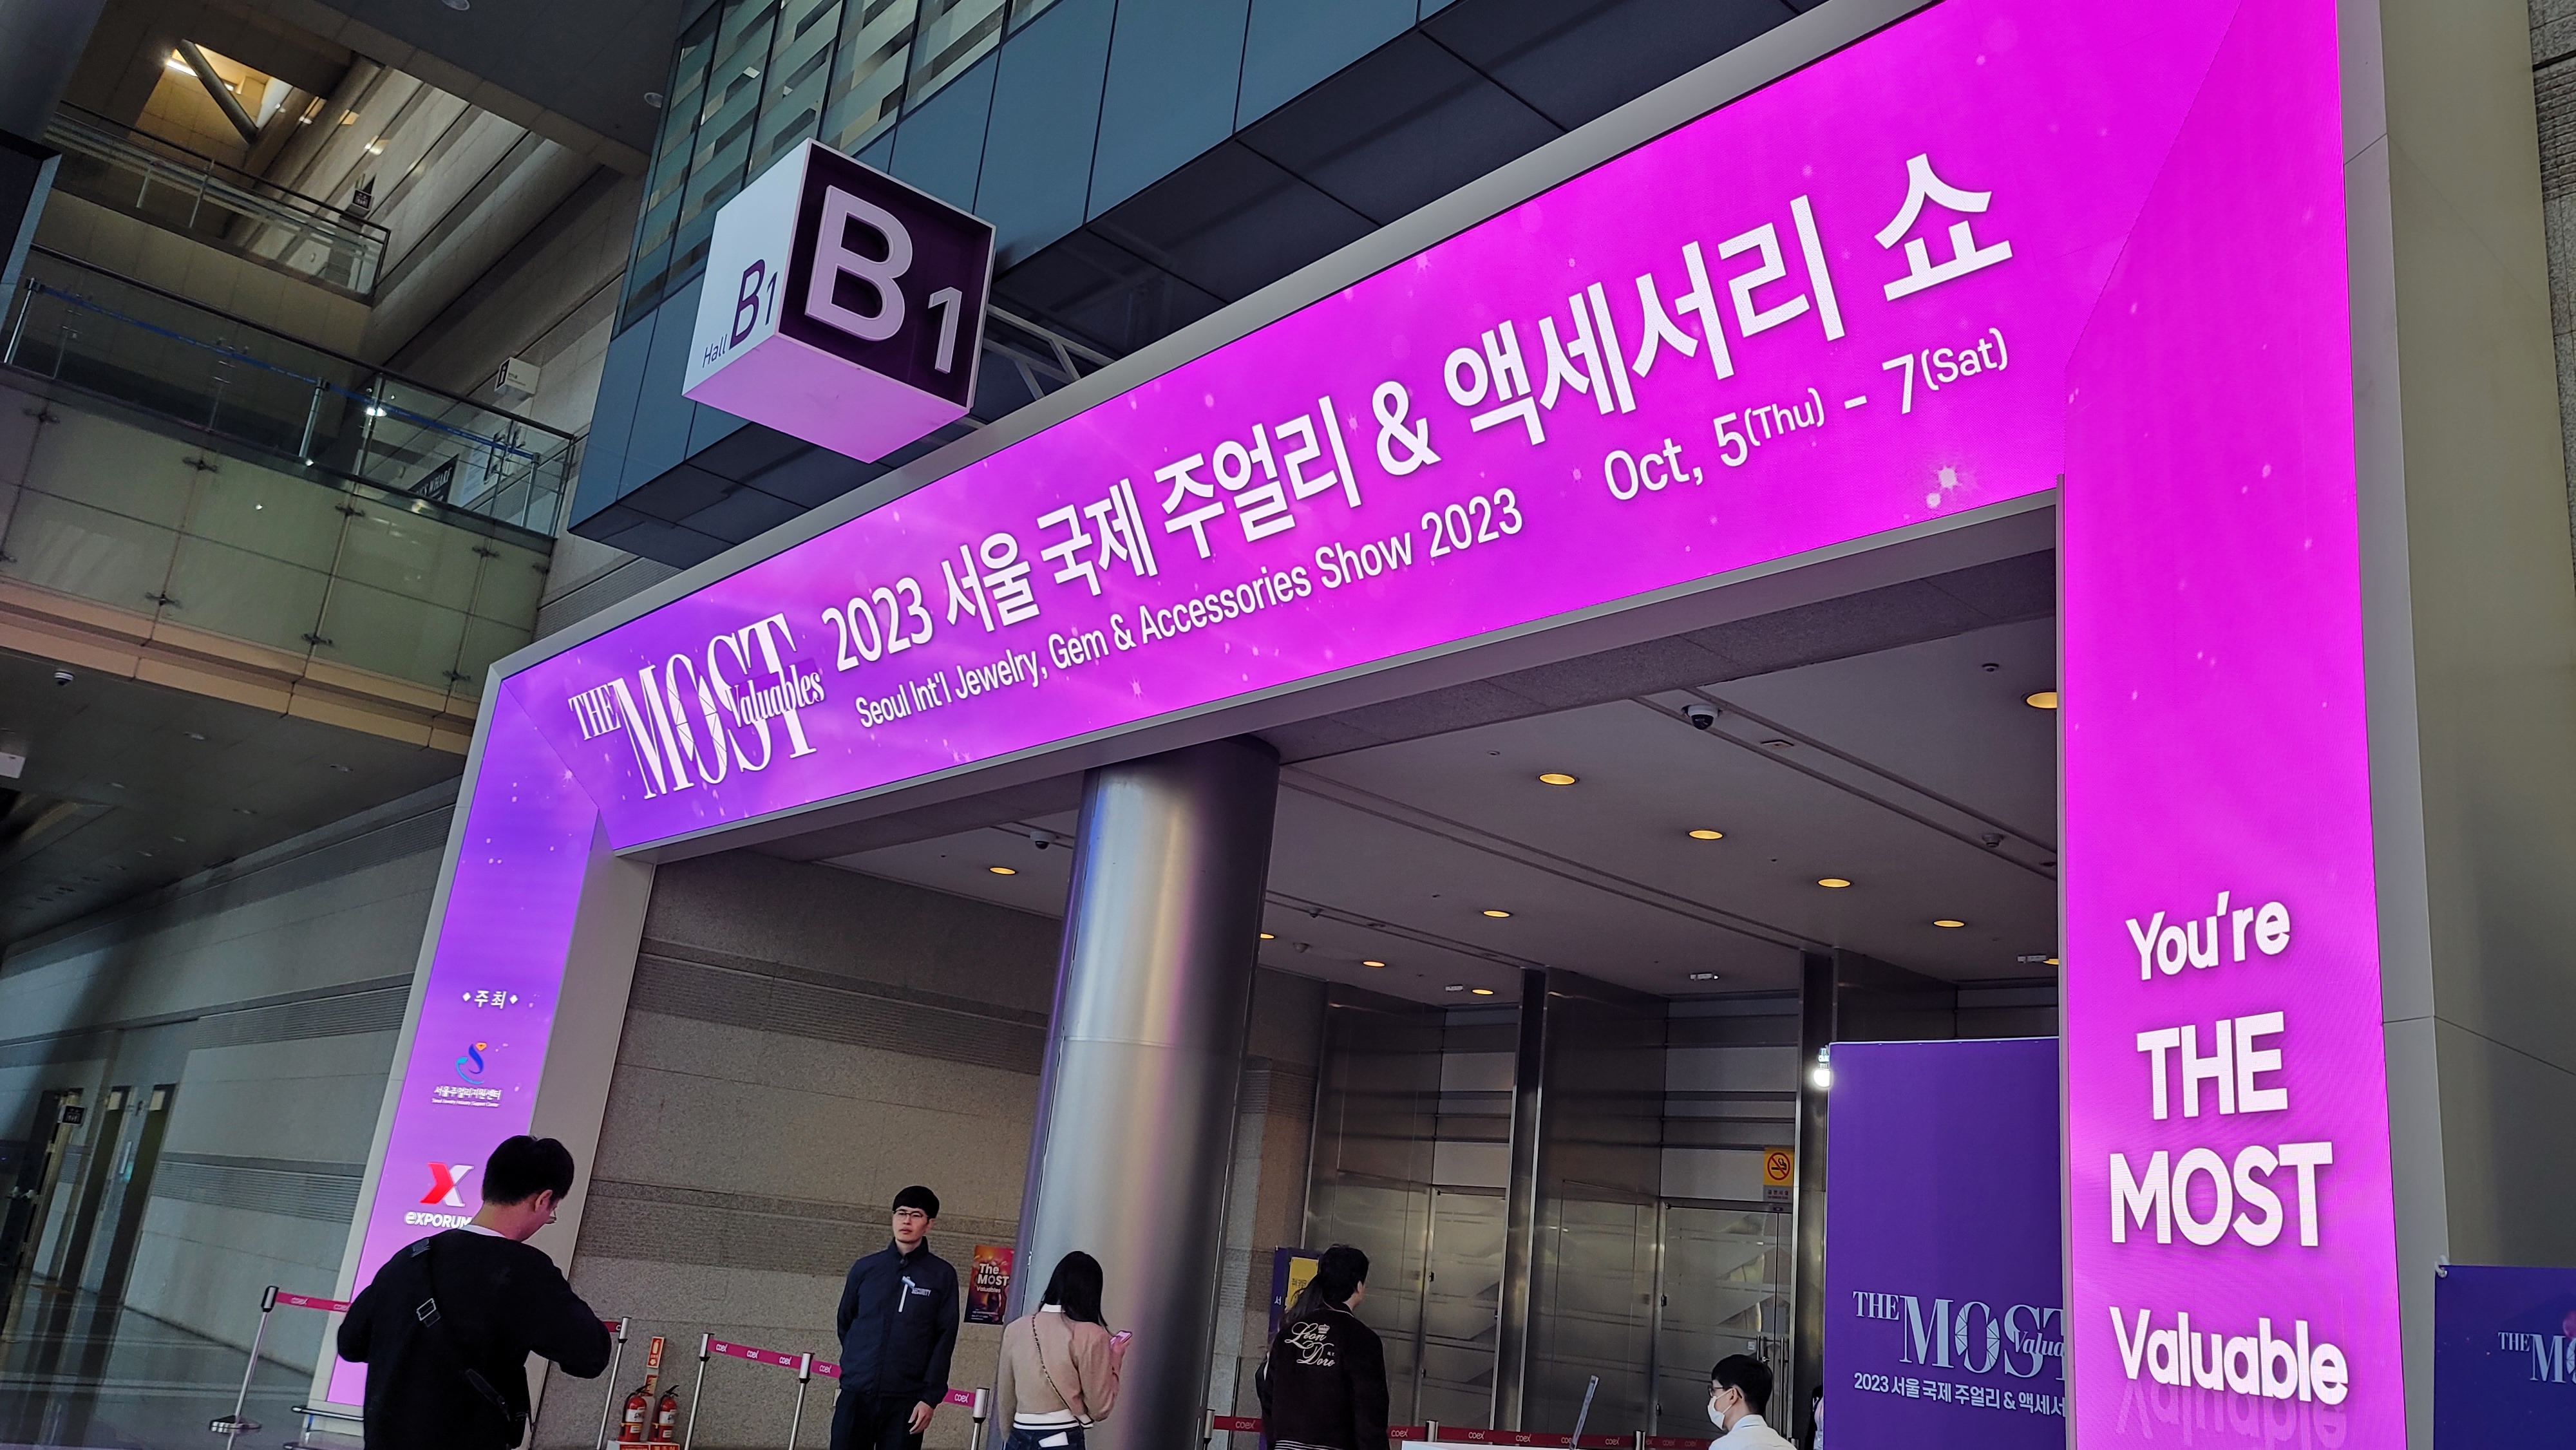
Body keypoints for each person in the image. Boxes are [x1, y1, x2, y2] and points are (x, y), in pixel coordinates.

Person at [336, 1135, 612, 1450]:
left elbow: (351, 1344)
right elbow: (591, 1355)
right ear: (543, 1200)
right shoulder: (526, 1272)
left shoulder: (410, 1258)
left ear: (485, 1189)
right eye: (553, 1210)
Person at [830, 1185, 960, 1450]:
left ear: (929, 1224)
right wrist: (857, 1363)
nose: (906, 1221)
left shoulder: (941, 1275)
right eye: (901, 1213)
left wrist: (929, 1398)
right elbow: (846, 1322)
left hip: (907, 1400)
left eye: (916, 1215)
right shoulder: (866, 1268)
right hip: (857, 1392)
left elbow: (945, 1338)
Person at [1255, 1245, 1388, 1450]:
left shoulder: (1288, 1334)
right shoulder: (1362, 1339)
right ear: (1359, 1286)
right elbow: (1369, 1416)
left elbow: (1269, 1399)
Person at [990, 1251, 1126, 1447]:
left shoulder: (1016, 1329)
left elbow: (1006, 1396)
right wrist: (1115, 1359)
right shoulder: (1092, 1335)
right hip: (1061, 1436)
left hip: (1019, 1434)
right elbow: (1100, 1408)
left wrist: (1011, 1437)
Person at [1706, 1355, 1793, 1450]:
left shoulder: (1723, 1447)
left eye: (1714, 1390)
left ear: (1732, 1396)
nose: (1713, 1397)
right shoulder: (1788, 1447)